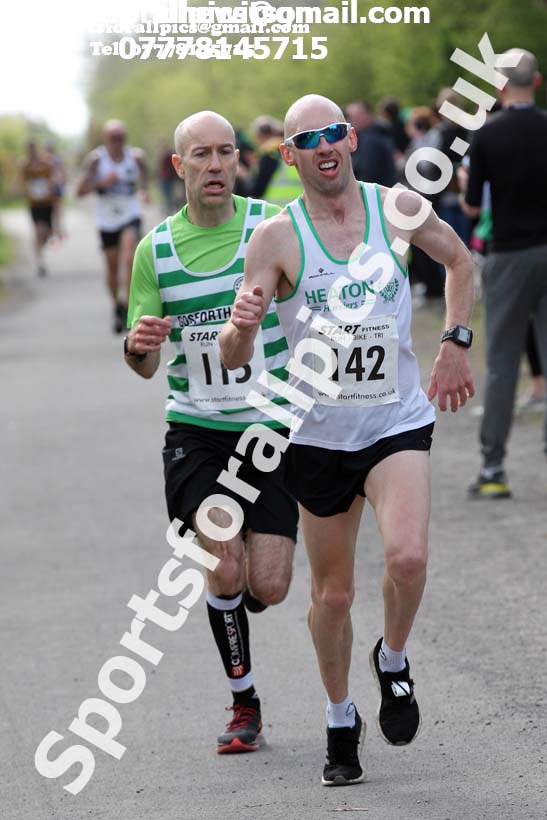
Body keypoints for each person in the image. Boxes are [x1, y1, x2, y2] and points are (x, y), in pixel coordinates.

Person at [220, 94, 474, 785]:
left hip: (393, 421)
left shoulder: (397, 208)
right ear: (288, 155)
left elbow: (460, 262)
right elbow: (235, 355)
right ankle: (340, 717)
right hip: (317, 437)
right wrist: (242, 324)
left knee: (409, 557)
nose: (324, 146)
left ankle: (392, 660)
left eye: (334, 132)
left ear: (352, 139)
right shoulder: (276, 238)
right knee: (332, 597)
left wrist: (455, 341)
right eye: (308, 139)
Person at [124, 111, 297, 754]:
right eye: (202, 154)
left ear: (239, 161)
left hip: (269, 426)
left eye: (226, 152)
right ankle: (244, 702)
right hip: (195, 428)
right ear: (180, 166)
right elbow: (144, 364)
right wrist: (137, 345)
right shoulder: (155, 251)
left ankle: (243, 586)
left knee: (269, 585)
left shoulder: (272, 229)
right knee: (221, 563)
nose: (217, 164)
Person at [462, 48, 547, 498]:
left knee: (501, 364)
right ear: (537, 82)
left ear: (499, 86)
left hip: (509, 254)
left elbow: (473, 207)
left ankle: (493, 469)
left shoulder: (487, 135)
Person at [76, 120, 149, 333]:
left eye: (121, 137)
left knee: (129, 257)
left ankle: (129, 306)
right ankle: (117, 305)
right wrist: (102, 183)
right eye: (113, 138)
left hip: (130, 214)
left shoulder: (135, 157)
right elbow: (79, 191)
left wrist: (144, 191)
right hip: (107, 219)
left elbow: (145, 178)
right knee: (112, 266)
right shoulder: (96, 160)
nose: (118, 142)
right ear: (105, 139)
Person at [21, 140, 56, 276]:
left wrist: (52, 189)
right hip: (34, 204)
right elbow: (22, 182)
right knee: (38, 231)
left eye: (33, 149)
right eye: (29, 150)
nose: (32, 152)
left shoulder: (46, 164)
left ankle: (40, 247)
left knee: (47, 233)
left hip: (47, 202)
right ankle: (40, 261)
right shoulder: (25, 166)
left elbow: (53, 178)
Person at [345, 101, 397, 187]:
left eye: (353, 116)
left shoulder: (371, 139)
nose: (351, 120)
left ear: (366, 115)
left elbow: (368, 173)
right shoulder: (379, 133)